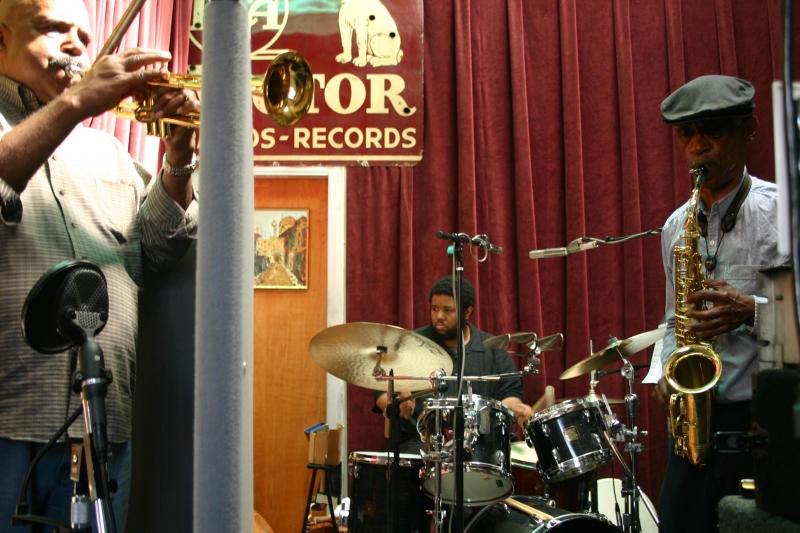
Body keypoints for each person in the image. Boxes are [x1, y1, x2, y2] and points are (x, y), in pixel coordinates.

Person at [0, 0, 199, 531]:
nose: (74, 46)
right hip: (8, 423)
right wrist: (76, 103)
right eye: (52, 29)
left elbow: (156, 251)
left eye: (84, 37)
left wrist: (178, 161)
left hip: (101, 430)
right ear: (1, 39)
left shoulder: (107, 152)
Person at [652, 75, 789, 532]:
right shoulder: (677, 225)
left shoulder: (783, 215)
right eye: (687, 135)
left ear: (749, 129)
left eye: (714, 131)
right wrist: (664, 371)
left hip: (763, 426)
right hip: (694, 424)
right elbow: (674, 319)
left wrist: (751, 311)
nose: (698, 146)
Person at [375, 275, 533, 453]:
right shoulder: (410, 344)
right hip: (421, 442)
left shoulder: (492, 348)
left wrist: (515, 408)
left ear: (467, 312)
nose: (439, 316)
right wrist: (396, 402)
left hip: (480, 443)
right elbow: (381, 393)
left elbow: (509, 393)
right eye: (434, 309)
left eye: (447, 310)